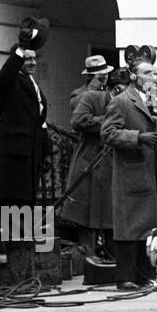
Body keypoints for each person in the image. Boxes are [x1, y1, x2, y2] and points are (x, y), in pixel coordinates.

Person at [101, 59, 157, 291]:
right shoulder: (121, 101)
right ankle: (125, 277)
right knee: (128, 226)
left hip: (150, 170)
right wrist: (138, 137)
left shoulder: (152, 101)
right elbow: (108, 133)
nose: (152, 77)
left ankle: (144, 274)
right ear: (133, 76)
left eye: (153, 73)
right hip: (131, 171)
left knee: (147, 226)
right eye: (147, 73)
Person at [0, 17, 51, 218]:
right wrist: (21, 48)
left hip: (31, 158)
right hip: (13, 162)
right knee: (13, 213)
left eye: (34, 59)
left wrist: (45, 150)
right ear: (18, 61)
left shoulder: (32, 83)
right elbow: (4, 75)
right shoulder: (9, 83)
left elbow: (39, 119)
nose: (33, 63)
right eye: (28, 59)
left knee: (25, 211)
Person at [64, 55, 115, 262]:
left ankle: (109, 254)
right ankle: (88, 257)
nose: (105, 78)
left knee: (109, 209)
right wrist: (106, 121)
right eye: (101, 75)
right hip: (90, 155)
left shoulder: (111, 93)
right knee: (87, 210)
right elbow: (79, 116)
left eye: (106, 74)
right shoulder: (80, 94)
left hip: (108, 156)